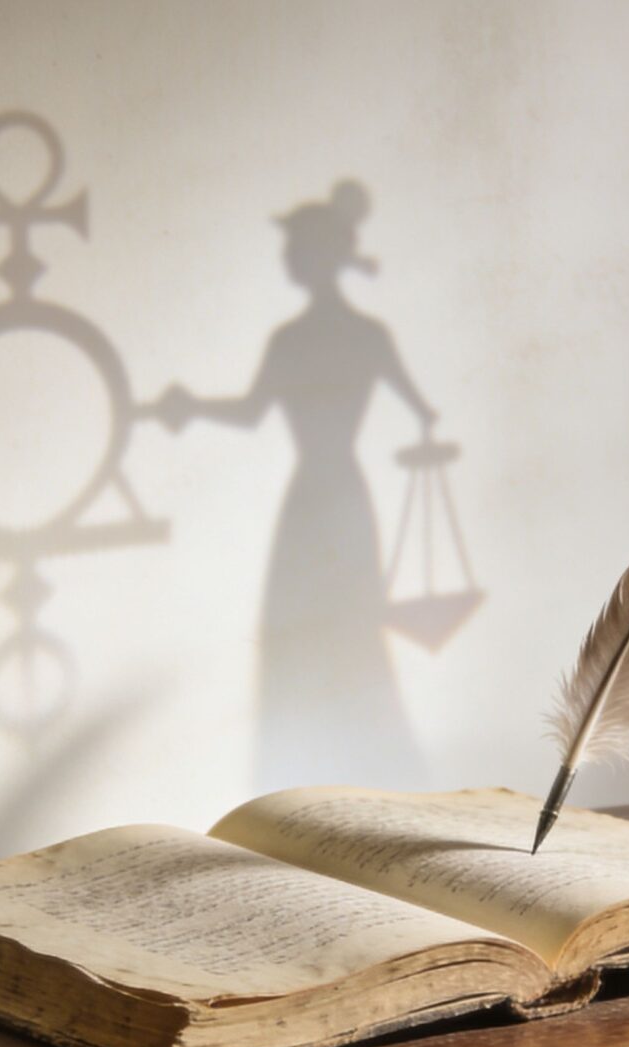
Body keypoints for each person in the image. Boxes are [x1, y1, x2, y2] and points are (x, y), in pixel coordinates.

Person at [155, 182, 439, 791]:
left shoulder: (299, 340)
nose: (286, 260)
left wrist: (190, 406)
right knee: (333, 627)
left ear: (316, 257)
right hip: (338, 497)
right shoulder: (364, 337)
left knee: (322, 629)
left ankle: (337, 775)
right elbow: (422, 410)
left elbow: (248, 412)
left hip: (315, 497)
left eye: (293, 249)